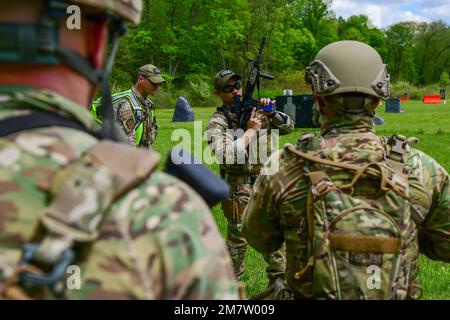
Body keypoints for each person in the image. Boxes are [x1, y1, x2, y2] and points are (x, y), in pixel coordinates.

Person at [0, 0, 240, 300]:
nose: (156, 87)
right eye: (153, 83)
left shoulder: (145, 105)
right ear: (99, 40)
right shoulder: (158, 215)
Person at [243, 40, 450, 300]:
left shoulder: (284, 166)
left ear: (318, 98)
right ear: (377, 102)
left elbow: (259, 238)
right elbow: (445, 245)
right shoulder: (421, 168)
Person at [206, 70, 294, 286]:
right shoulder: (218, 122)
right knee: (238, 238)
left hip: (266, 181)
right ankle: (228, 283)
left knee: (274, 233)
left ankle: (282, 281)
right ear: (219, 93)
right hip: (238, 186)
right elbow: (224, 154)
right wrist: (250, 132)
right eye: (229, 88)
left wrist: (272, 113)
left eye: (237, 86)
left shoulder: (256, 111)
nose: (235, 91)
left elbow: (289, 127)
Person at [90, 64, 165, 149]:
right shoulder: (127, 102)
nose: (157, 87)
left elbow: (147, 139)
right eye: (153, 83)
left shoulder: (148, 104)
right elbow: (127, 142)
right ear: (141, 79)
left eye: (159, 84)